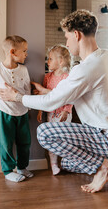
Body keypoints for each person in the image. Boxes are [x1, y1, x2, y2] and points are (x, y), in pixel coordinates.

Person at [0, 10, 108, 193]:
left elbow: (51, 102)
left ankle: (105, 166)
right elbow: (70, 92)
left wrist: (17, 97)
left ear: (76, 34)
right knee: (68, 162)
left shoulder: (86, 69)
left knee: (44, 133)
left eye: (67, 37)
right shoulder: (105, 56)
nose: (66, 43)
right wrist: (47, 91)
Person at [0, 35, 34, 182]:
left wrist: (29, 106)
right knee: (5, 142)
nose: (27, 54)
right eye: (24, 51)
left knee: (25, 141)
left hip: (23, 112)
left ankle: (22, 167)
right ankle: (8, 170)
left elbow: (27, 89)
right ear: (13, 52)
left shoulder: (24, 69)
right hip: (5, 112)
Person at [36, 44, 73, 175]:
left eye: (50, 59)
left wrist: (66, 110)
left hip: (63, 114)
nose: (48, 62)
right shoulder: (47, 77)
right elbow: (43, 96)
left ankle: (67, 162)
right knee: (52, 139)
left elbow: (70, 95)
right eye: (48, 59)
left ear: (61, 61)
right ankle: (53, 164)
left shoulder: (67, 77)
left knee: (64, 138)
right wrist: (41, 110)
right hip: (51, 114)